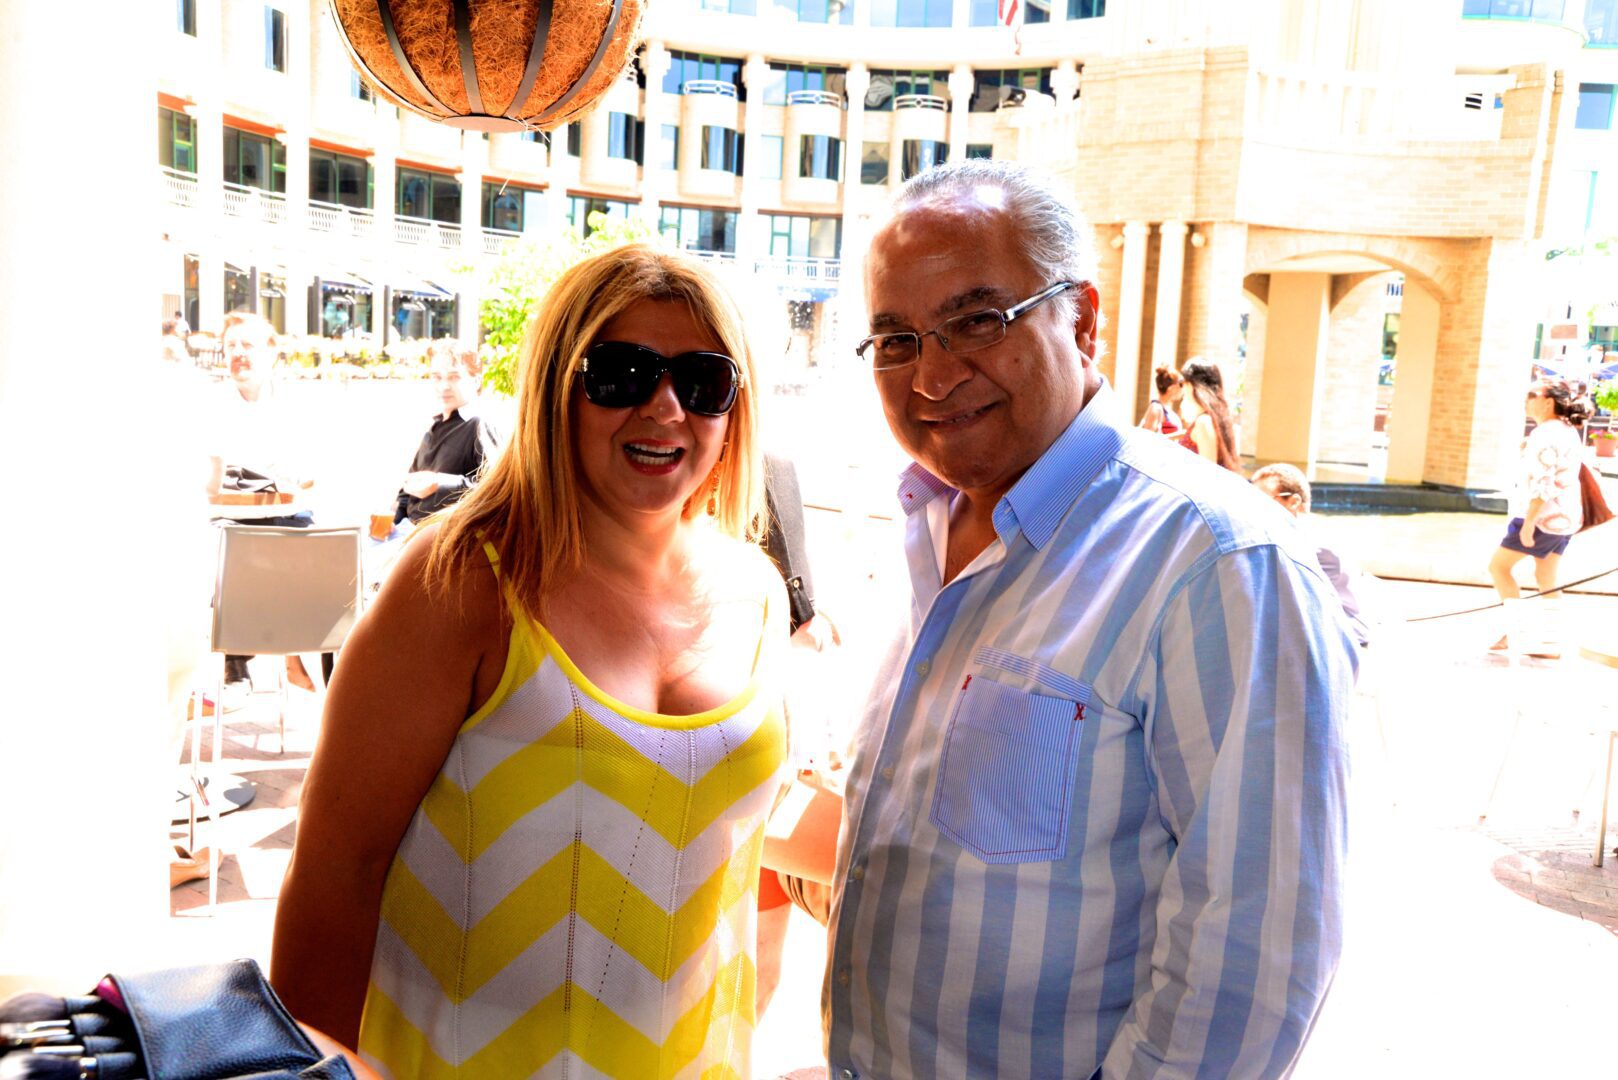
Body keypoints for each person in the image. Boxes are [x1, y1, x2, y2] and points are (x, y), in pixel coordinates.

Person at [811, 160, 1354, 1079]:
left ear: (1084, 320)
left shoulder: (1217, 564)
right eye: (898, 340)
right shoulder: (923, 529)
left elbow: (1253, 967)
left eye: (978, 321)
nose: (933, 375)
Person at [270, 245, 788, 1078]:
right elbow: (336, 870)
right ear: (554, 389)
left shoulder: (756, 593)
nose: (665, 406)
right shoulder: (463, 580)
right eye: (621, 373)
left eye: (703, 381)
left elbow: (739, 849)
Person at [206, 310, 325, 694]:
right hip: (231, 518)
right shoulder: (212, 404)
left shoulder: (295, 403)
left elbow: (312, 472)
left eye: (248, 344)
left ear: (271, 352)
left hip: (286, 513)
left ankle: (294, 655)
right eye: (231, 346)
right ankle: (244, 663)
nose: (238, 352)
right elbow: (207, 480)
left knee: (323, 560)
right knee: (225, 551)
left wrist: (294, 476)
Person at [1487, 378, 1590, 657]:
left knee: (1499, 567)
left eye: (1532, 394)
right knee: (1547, 577)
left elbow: (1544, 482)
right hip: (1564, 518)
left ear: (1548, 402)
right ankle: (1551, 642)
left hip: (1541, 517)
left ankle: (1515, 631)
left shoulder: (1545, 433)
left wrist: (1529, 523)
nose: (1527, 399)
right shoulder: (1567, 430)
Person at [1252, 462, 1370, 650]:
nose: (1252, 509)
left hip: (1342, 641)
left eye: (1262, 501)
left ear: (1294, 502)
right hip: (1326, 633)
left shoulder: (1312, 545)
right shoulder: (1301, 533)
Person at [391, 340, 499, 528]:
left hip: (445, 535)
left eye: (454, 377)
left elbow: (496, 489)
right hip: (409, 530)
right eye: (437, 377)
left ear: (476, 381)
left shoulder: (479, 425)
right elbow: (408, 488)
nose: (444, 386)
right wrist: (392, 518)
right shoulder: (436, 425)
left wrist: (440, 484)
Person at [1178, 358, 1244, 472]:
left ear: (1191, 385)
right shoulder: (1216, 419)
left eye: (1182, 383)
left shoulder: (1203, 422)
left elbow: (1208, 473)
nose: (1182, 388)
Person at [1136, 364, 1184, 436]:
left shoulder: (1165, 409)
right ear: (1171, 388)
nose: (1183, 389)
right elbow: (1147, 438)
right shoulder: (1156, 408)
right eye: (1181, 385)